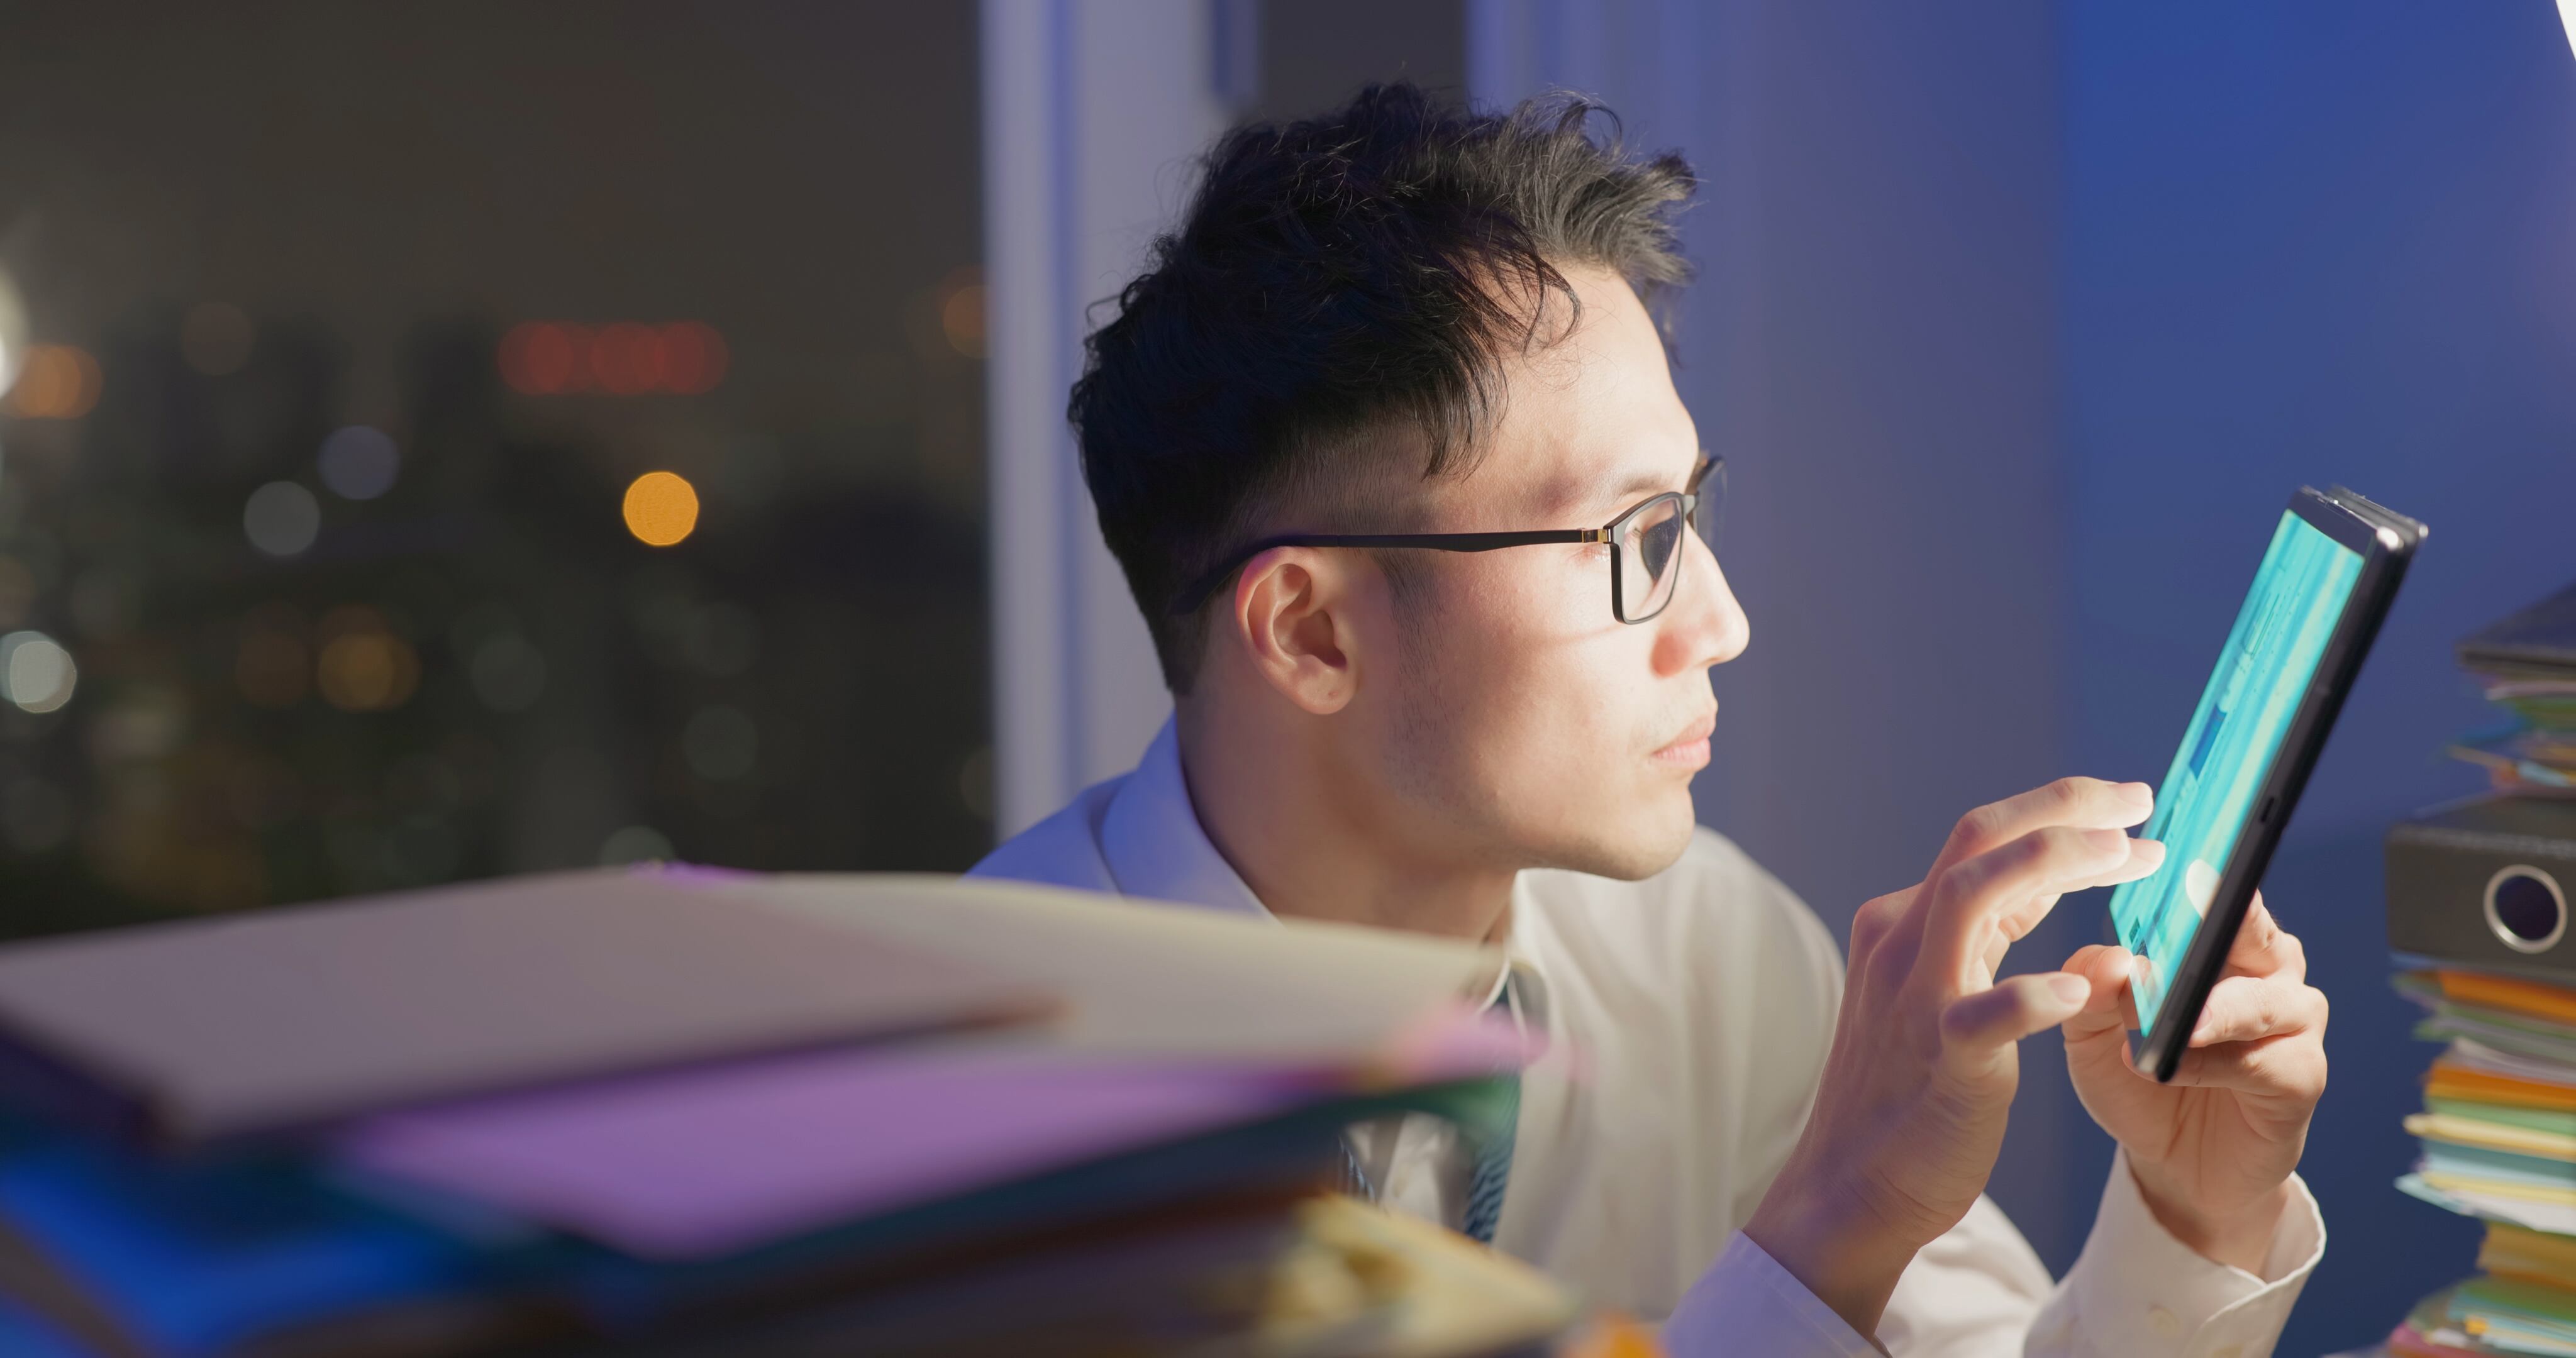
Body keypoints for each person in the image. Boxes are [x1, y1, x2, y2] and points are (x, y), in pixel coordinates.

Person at [972, 83, 2327, 1356]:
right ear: (1312, 633)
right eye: (1635, 534)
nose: (1721, 623)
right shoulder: (966, 1116)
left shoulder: (1700, 949)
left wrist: (2190, 1214)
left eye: (1689, 511)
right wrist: (1829, 1230)